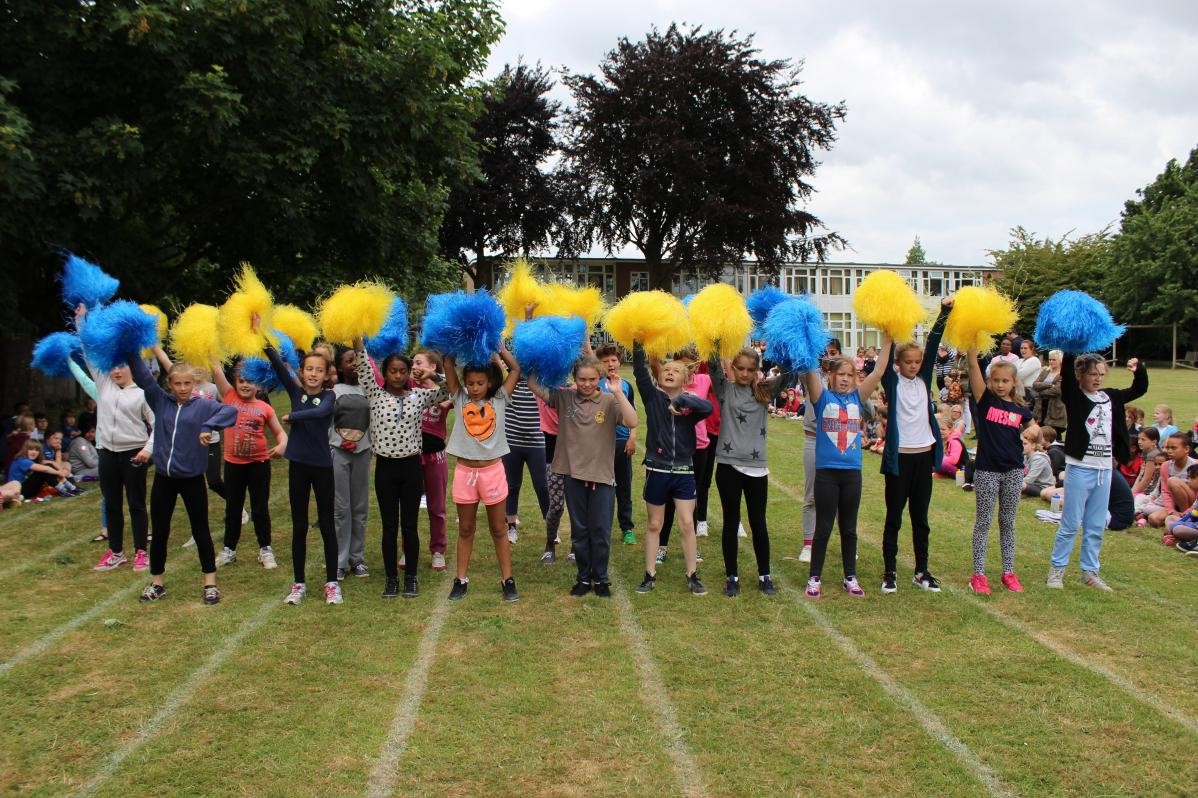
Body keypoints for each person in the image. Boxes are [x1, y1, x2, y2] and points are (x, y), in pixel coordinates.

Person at [128, 347, 237, 605]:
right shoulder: (159, 401)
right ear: (169, 384)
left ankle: (210, 583)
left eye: (188, 383)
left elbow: (230, 412)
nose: (183, 388)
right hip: (164, 479)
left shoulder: (202, 406)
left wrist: (209, 426)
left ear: (194, 383)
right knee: (161, 531)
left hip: (192, 480)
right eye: (178, 383)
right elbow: (143, 376)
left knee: (201, 530)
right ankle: (157, 583)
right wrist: (130, 345)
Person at [529, 356, 638, 597]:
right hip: (573, 474)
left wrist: (619, 392)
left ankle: (600, 579)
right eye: (582, 379)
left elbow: (632, 420)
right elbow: (534, 385)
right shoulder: (565, 397)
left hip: (602, 476)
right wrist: (537, 353)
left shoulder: (609, 401)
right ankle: (583, 578)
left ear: (598, 379)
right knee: (580, 530)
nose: (587, 384)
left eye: (592, 380)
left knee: (600, 530)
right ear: (574, 379)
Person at [355, 342, 448, 599]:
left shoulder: (419, 397)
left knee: (409, 525)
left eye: (403, 371)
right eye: (393, 371)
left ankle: (411, 578)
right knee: (389, 526)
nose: (398, 375)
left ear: (409, 373)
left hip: (411, 468)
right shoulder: (374, 394)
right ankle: (391, 579)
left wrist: (431, 375)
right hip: (385, 468)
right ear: (385, 373)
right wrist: (357, 338)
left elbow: (451, 388)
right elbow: (363, 365)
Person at [1046, 354, 1147, 592]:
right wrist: (1072, 349)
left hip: (1104, 471)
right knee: (1070, 524)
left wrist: (1138, 369)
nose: (1097, 379)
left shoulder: (1110, 396)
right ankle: (1056, 571)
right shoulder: (1075, 396)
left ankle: (1090, 572)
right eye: (1093, 374)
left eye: (1101, 374)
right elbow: (1067, 377)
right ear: (1081, 375)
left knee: (1095, 525)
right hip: (1081, 468)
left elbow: (1139, 388)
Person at [877, 298, 952, 594]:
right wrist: (888, 329)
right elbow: (883, 363)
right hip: (900, 460)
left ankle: (921, 570)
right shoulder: (892, 382)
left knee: (920, 518)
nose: (913, 366)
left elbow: (933, 343)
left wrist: (945, 311)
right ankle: (890, 571)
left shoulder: (923, 379)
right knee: (894, 517)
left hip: (923, 458)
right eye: (907, 362)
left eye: (917, 362)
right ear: (898, 363)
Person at [802, 347, 888, 599]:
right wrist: (805, 339)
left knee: (849, 528)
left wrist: (888, 336)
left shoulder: (858, 399)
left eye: (850, 375)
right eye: (840, 374)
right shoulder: (822, 398)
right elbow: (809, 371)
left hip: (852, 474)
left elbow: (880, 370)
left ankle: (850, 576)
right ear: (831, 376)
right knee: (824, 526)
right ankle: (814, 577)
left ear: (855, 378)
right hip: (827, 473)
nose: (844, 379)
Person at [76, 306, 155, 572]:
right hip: (107, 453)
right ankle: (116, 551)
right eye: (113, 368)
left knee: (136, 503)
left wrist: (147, 449)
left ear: (131, 367)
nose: (117, 371)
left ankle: (141, 552)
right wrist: (81, 321)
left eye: (122, 367)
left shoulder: (143, 393)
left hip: (134, 454)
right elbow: (88, 354)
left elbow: (158, 426)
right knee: (112, 503)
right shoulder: (103, 384)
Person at [631, 343, 713, 596]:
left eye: (676, 370)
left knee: (687, 523)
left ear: (686, 378)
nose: (669, 372)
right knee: (655, 524)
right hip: (657, 470)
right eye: (666, 369)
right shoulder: (652, 397)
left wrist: (681, 401)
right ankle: (649, 574)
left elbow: (708, 408)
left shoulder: (691, 406)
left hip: (684, 472)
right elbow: (639, 372)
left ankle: (692, 575)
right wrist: (637, 342)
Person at [441, 348, 520, 602]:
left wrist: (500, 348)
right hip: (465, 473)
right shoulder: (460, 399)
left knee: (499, 529)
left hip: (492, 472)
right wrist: (453, 342)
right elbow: (448, 364)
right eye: (470, 383)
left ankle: (508, 580)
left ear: (489, 383)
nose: (474, 388)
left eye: (480, 383)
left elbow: (516, 370)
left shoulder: (499, 399)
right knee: (466, 528)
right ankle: (460, 579)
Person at [267, 337, 341, 606]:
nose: (313, 374)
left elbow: (320, 412)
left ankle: (331, 583)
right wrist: (262, 336)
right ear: (302, 372)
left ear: (326, 375)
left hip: (322, 467)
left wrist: (293, 417)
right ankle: (298, 583)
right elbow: (277, 364)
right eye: (309, 369)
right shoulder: (295, 391)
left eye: (319, 370)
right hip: (298, 466)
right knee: (299, 526)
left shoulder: (330, 396)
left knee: (327, 525)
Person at [709, 346, 785, 597]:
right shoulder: (725, 389)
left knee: (758, 522)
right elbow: (712, 363)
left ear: (757, 371)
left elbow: (791, 374)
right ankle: (732, 575)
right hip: (728, 466)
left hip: (757, 468)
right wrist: (716, 337)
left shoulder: (765, 391)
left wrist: (789, 345)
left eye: (750, 369)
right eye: (739, 368)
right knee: (731, 521)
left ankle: (765, 575)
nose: (744, 373)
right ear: (732, 368)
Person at [966, 350, 1038, 595]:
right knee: (983, 522)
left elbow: (1033, 428)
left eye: (1005, 381)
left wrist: (1035, 432)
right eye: (995, 380)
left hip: (1013, 471)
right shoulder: (985, 400)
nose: (999, 385)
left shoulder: (1020, 408)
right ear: (989, 382)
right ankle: (978, 574)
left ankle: (1008, 571)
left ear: (1014, 383)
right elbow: (974, 369)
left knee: (1008, 522)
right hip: (987, 470)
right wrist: (971, 351)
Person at [211, 357, 287, 571]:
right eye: (241, 380)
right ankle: (229, 550)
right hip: (233, 464)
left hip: (259, 464)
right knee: (233, 508)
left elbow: (280, 433)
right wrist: (209, 347)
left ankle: (265, 549)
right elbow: (216, 368)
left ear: (259, 385)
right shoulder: (229, 397)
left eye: (250, 381)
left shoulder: (264, 408)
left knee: (260, 508)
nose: (245, 385)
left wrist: (282, 444)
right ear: (234, 382)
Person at [654, 346, 715, 563]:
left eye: (695, 363)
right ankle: (662, 545)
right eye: (688, 363)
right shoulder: (668, 384)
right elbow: (654, 368)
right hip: (675, 450)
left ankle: (692, 546)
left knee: (691, 497)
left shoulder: (704, 380)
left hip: (700, 448)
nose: (693, 367)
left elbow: (707, 406)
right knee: (669, 500)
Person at [329, 347, 373, 579]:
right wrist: (337, 442)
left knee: (360, 508)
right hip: (339, 454)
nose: (354, 364)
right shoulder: (333, 392)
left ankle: (357, 558)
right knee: (341, 509)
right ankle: (339, 561)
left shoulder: (370, 388)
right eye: (349, 361)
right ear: (339, 366)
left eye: (357, 360)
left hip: (363, 453)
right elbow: (328, 422)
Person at [501, 376, 551, 545]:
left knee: (542, 485)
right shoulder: (508, 381)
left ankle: (551, 526)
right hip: (511, 442)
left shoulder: (542, 382)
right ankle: (511, 527)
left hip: (537, 442)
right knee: (512, 486)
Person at [414, 351, 452, 572]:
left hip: (436, 457)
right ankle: (408, 549)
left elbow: (458, 393)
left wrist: (434, 378)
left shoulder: (443, 392)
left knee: (436, 507)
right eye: (413, 363)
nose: (414, 366)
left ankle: (438, 550)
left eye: (419, 363)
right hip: (411, 457)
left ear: (432, 366)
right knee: (409, 506)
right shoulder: (408, 388)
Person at [596, 344, 638, 545]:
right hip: (600, 445)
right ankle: (601, 525)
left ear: (619, 362)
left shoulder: (627, 385)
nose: (610, 364)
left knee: (624, 488)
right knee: (602, 488)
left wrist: (632, 437)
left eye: (613, 360)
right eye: (605, 361)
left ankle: (627, 528)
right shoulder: (595, 383)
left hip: (622, 443)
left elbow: (633, 413)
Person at [1144, 432, 1198, 529]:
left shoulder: (1195, 465)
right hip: (1174, 504)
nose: (1169, 451)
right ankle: (1177, 519)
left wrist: (1187, 511)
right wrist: (1171, 510)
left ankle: (1185, 518)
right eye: (1167, 448)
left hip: (1193, 504)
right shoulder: (1166, 465)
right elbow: (1165, 491)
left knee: (1173, 481)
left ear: (1186, 449)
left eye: (1173, 448)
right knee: (1153, 518)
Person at [7, 440, 79, 499]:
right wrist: (59, 473)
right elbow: (45, 469)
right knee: (43, 471)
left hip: (25, 489)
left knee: (48, 467)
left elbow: (49, 464)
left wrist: (52, 463)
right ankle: (65, 490)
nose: (34, 452)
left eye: (37, 450)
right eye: (31, 449)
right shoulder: (22, 460)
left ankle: (70, 487)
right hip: (18, 491)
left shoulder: (30, 460)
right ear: (25, 450)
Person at [1032, 350, 1067, 438]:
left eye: (1054, 360)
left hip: (1055, 409)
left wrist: (1041, 391)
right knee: (1039, 433)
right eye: (1050, 359)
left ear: (1060, 360)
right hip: (1041, 407)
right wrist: (1049, 385)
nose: (1051, 361)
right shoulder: (1045, 371)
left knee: (1053, 434)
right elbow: (1035, 385)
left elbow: (1057, 391)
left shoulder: (1063, 374)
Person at [1167, 464, 1198, 552]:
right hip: (1194, 524)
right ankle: (1179, 537)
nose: (1188, 481)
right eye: (1188, 478)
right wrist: (1182, 521)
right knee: (1170, 518)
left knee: (1178, 529)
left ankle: (1180, 537)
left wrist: (1180, 524)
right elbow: (1193, 514)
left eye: (1192, 478)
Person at [1021, 429, 1054, 497]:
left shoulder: (1039, 459)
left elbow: (1029, 480)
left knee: (1019, 484)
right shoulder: (1025, 456)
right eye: (1021, 443)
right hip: (1032, 484)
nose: (1021, 446)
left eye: (1025, 444)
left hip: (1042, 487)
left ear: (1033, 445)